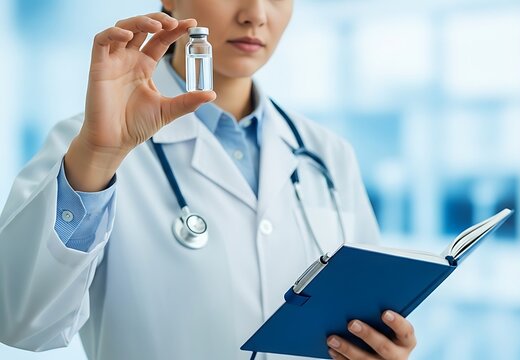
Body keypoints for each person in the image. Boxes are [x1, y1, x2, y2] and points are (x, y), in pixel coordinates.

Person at [0, 1, 418, 359]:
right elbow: (21, 321)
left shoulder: (327, 154)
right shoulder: (89, 145)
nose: (255, 14)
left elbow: (367, 315)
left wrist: (379, 347)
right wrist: (98, 155)